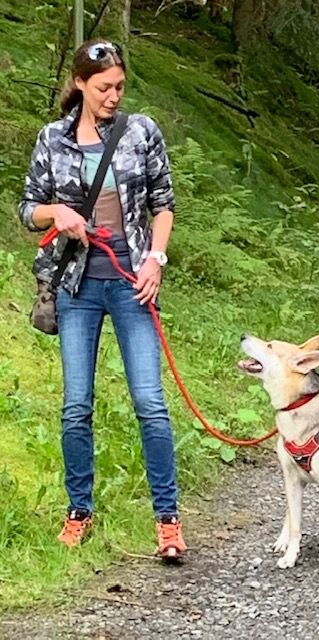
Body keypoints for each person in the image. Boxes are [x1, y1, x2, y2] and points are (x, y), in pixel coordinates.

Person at [18, 38, 187, 559]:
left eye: (119, 86)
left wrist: (155, 260)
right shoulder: (53, 139)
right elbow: (27, 210)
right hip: (76, 286)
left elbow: (164, 204)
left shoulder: (141, 133)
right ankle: (79, 512)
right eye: (103, 87)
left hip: (133, 282)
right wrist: (57, 215)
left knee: (151, 402)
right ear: (80, 85)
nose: (114, 95)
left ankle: (168, 521)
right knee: (75, 407)